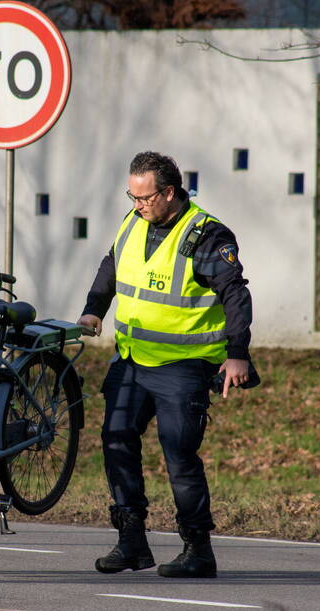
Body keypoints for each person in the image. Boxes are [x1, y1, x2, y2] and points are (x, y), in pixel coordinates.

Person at [77, 151, 253, 578]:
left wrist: (237, 353)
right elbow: (111, 266)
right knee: (116, 439)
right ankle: (131, 542)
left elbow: (234, 293)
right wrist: (94, 309)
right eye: (132, 196)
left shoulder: (207, 235)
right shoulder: (132, 222)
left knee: (179, 454)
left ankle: (198, 550)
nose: (137, 204)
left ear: (169, 192)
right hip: (133, 360)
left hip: (184, 364)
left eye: (145, 197)